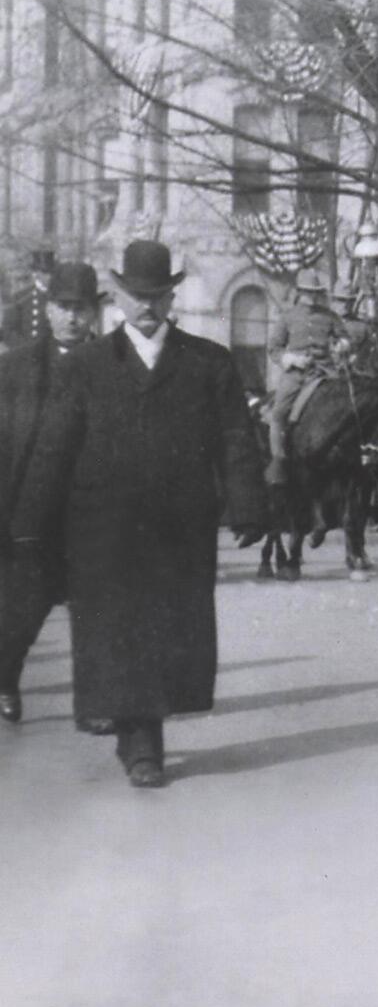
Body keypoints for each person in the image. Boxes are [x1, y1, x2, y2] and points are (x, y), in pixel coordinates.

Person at [8, 240, 266, 787]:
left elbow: (234, 437)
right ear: (119, 297)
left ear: (172, 297)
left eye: (158, 295)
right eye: (136, 295)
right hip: (102, 526)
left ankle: (142, 730)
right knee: (115, 629)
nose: (147, 305)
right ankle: (141, 741)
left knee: (168, 630)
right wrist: (30, 520)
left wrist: (247, 503)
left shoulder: (208, 363)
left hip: (180, 525)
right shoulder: (87, 366)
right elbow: (55, 446)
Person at [0, 262, 104, 723]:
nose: (72, 318)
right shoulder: (15, 366)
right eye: (63, 307)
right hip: (31, 510)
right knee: (23, 610)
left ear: (94, 312)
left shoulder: (112, 366)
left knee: (96, 612)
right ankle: (5, 676)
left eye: (81, 308)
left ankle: (96, 702)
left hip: (90, 511)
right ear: (49, 308)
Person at [264, 268, 345, 486]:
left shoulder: (330, 316)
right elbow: (274, 348)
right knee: (278, 414)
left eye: (315, 292)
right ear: (300, 292)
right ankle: (278, 460)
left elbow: (343, 337)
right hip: (297, 374)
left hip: (326, 371)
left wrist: (342, 345)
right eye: (308, 291)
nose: (312, 296)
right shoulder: (287, 317)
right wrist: (291, 359)